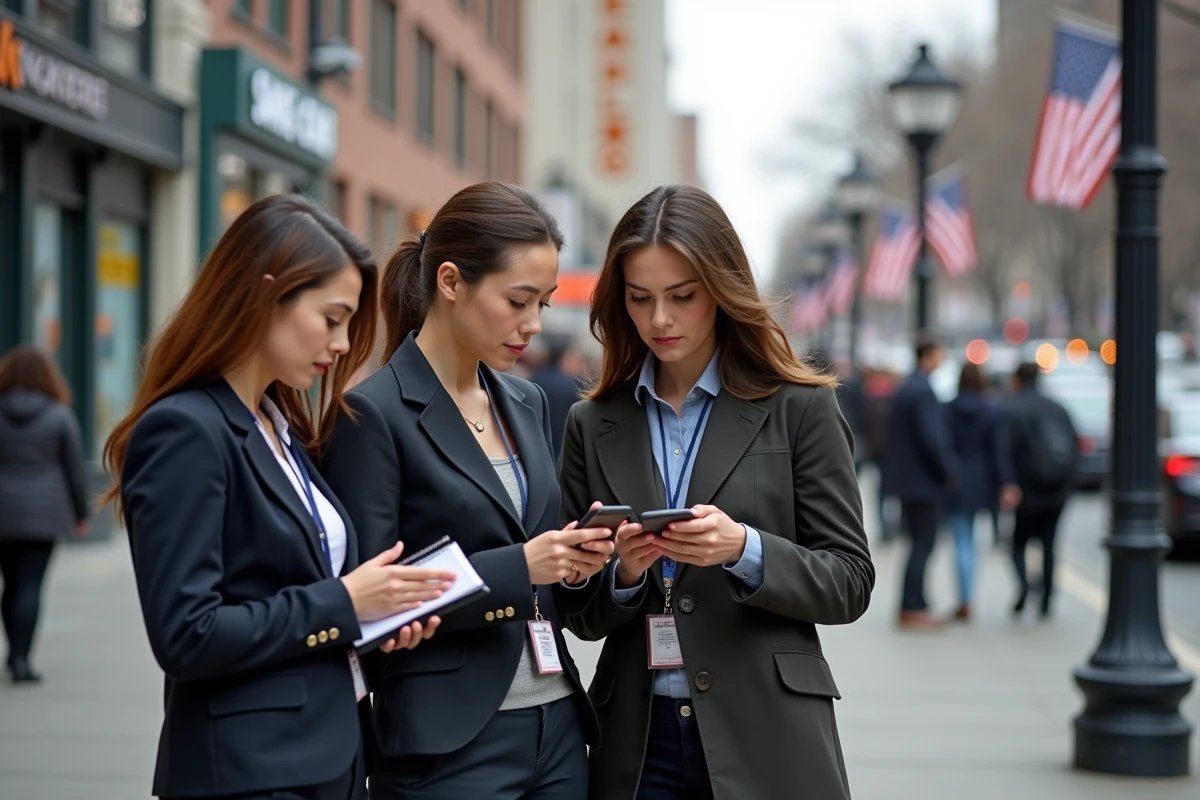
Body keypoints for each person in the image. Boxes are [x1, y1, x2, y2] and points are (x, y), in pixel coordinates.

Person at [102, 194, 454, 800]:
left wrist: (374, 616)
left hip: (329, 754)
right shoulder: (186, 428)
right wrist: (344, 602)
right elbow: (188, 634)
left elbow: (283, 591)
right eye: (331, 317)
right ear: (268, 294)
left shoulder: (277, 425)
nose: (343, 344)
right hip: (250, 769)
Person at [559, 185, 874, 800]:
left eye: (682, 296)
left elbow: (850, 581)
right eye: (639, 298)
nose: (659, 320)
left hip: (767, 736)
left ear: (723, 290)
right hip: (637, 741)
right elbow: (579, 612)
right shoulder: (592, 424)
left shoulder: (800, 408)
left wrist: (744, 550)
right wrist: (620, 574)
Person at [319, 182, 616, 799]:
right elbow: (371, 604)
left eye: (545, 302)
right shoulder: (372, 414)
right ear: (451, 282)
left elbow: (546, 565)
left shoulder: (525, 401)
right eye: (518, 301)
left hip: (558, 725)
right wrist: (522, 565)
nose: (534, 324)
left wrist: (588, 563)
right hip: (449, 744)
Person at [0, 346, 89, 683]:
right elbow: (74, 469)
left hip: (3, 513)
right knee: (30, 586)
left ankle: (12, 652)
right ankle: (22, 659)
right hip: (44, 514)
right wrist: (81, 513)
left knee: (9, 584)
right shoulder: (58, 414)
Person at [882, 335, 957, 629]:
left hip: (908, 480)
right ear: (929, 354)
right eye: (940, 352)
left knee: (918, 543)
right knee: (923, 544)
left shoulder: (908, 386)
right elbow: (931, 439)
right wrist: (947, 471)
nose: (943, 358)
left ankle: (916, 604)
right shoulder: (922, 390)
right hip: (922, 483)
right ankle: (913, 606)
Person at [1002, 362, 1079, 619]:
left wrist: (1008, 484)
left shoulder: (1012, 408)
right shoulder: (1058, 408)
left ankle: (1024, 584)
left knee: (1017, 544)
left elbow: (1004, 452)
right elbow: (1075, 447)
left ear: (1017, 379)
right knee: (1049, 545)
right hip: (1056, 491)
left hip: (1026, 491)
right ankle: (1046, 601)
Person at [944, 363, 1020, 621]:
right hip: (982, 480)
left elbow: (943, 445)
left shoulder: (949, 408)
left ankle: (963, 599)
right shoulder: (991, 409)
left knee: (960, 541)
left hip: (955, 479)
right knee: (974, 541)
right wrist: (1006, 482)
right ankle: (969, 597)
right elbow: (998, 450)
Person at [528, 335, 583, 458]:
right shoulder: (573, 384)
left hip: (537, 443)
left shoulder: (534, 378)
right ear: (564, 358)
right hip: (563, 444)